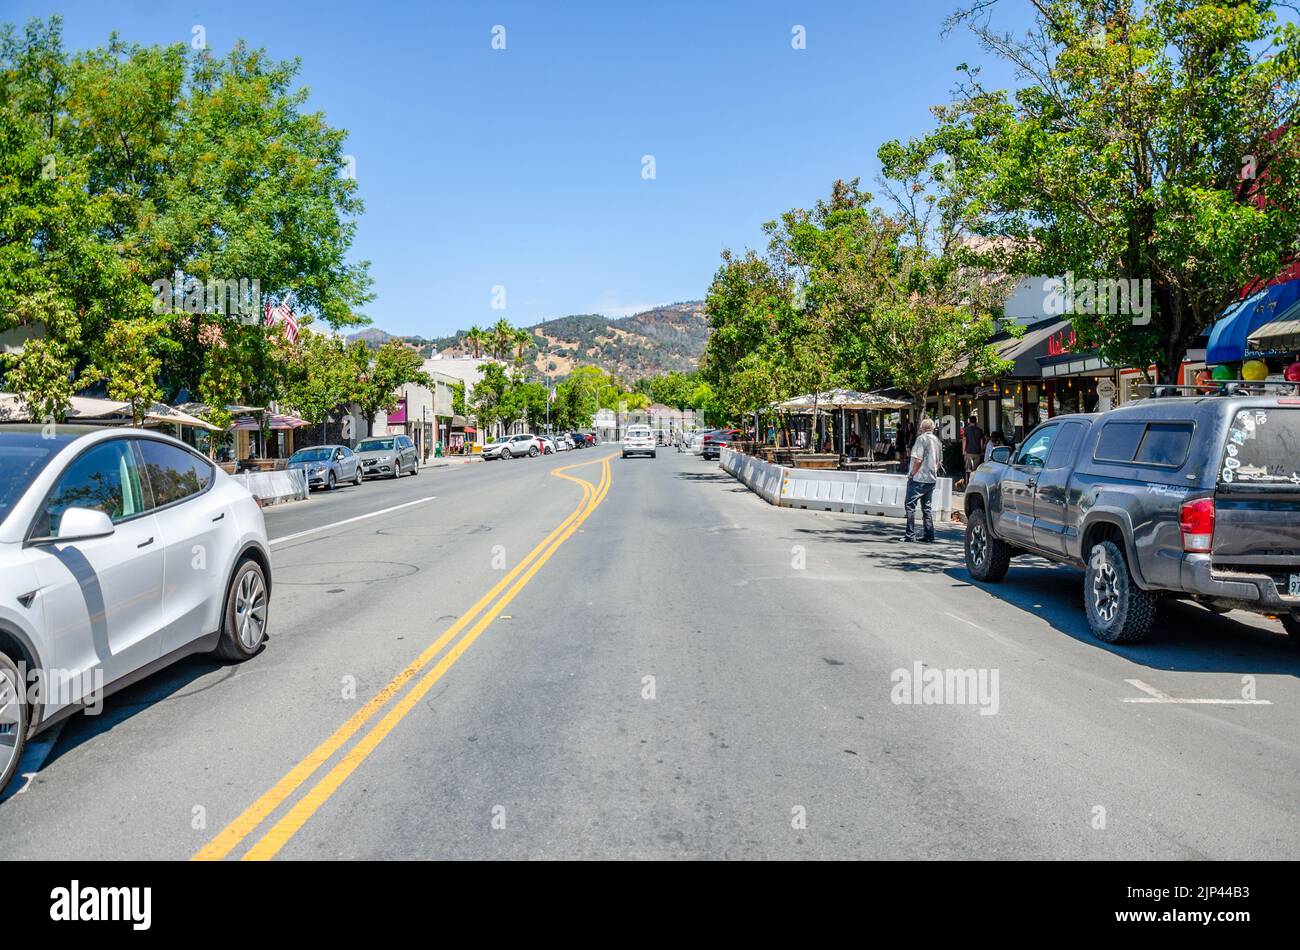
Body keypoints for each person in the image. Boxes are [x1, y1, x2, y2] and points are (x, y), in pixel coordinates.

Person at [900, 417, 942, 543]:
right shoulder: (937, 441)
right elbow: (939, 462)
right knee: (927, 507)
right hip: (931, 478)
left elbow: (918, 460)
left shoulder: (921, 439)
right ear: (932, 428)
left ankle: (910, 534)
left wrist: (912, 474)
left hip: (919, 478)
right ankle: (929, 535)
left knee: (910, 505)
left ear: (922, 428)